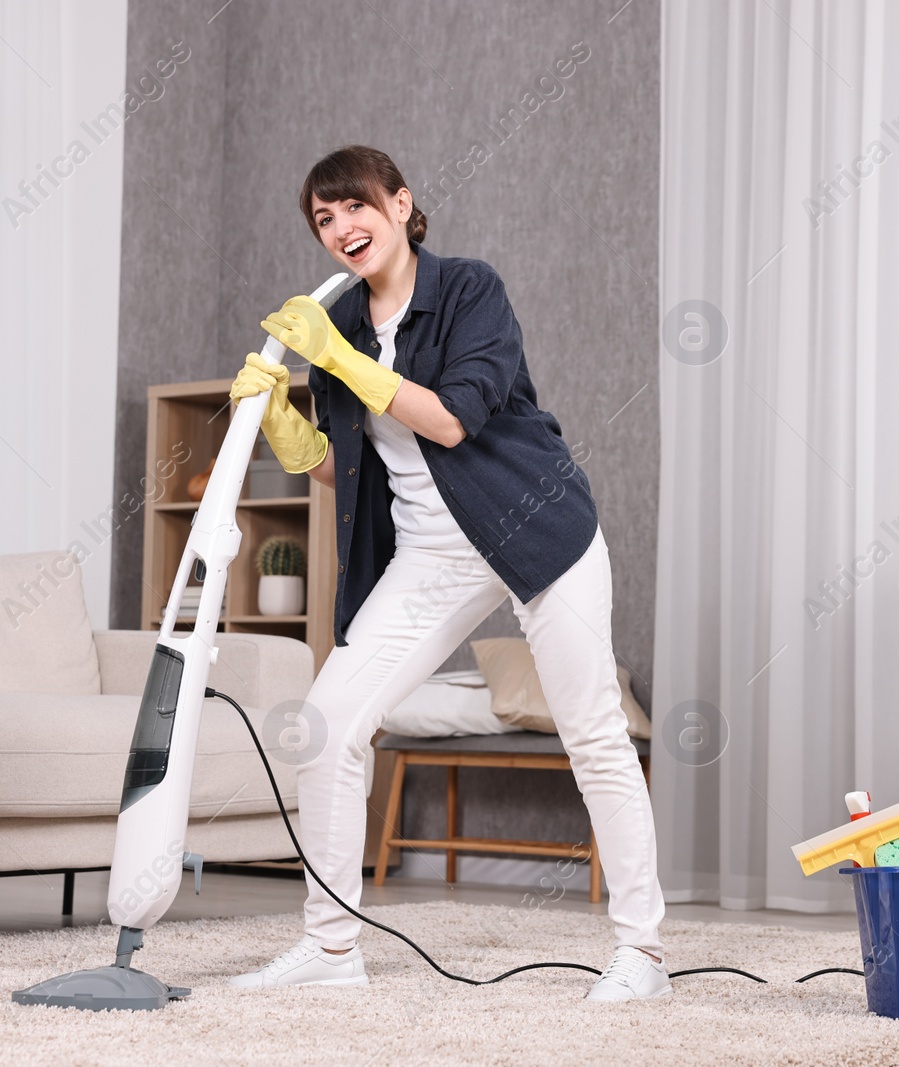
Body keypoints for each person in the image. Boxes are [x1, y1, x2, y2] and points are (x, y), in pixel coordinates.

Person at [224, 145, 667, 1001]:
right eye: (324, 219)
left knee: (592, 733)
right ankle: (329, 950)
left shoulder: (469, 290)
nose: (343, 228)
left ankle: (642, 955)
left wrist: (341, 360)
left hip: (536, 527)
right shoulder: (340, 326)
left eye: (356, 206)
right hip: (431, 551)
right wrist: (288, 426)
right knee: (326, 723)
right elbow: (346, 465)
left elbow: (453, 421)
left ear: (400, 205)